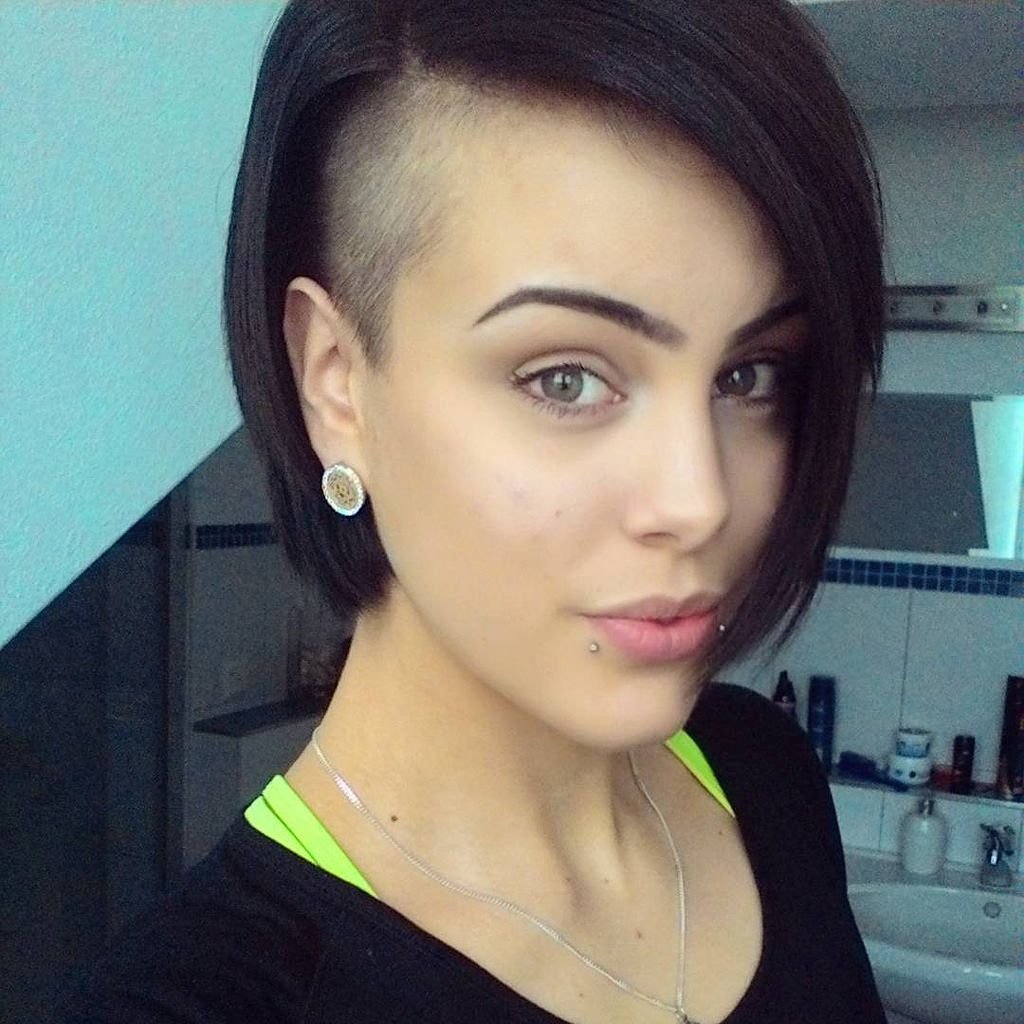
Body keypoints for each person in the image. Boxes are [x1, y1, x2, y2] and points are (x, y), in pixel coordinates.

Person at [65, 1, 888, 1021]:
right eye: (565, 380)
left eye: (748, 373)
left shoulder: (762, 773)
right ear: (336, 383)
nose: (699, 502)